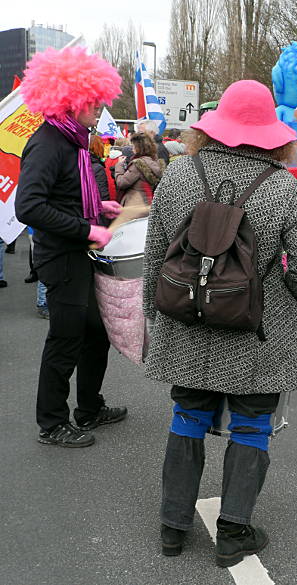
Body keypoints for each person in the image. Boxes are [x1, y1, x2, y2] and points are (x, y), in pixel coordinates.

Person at [142, 80, 297, 565]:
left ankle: (172, 528)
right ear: (272, 133)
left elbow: (155, 255)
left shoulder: (178, 175)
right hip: (255, 331)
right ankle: (232, 533)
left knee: (187, 418)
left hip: (185, 324)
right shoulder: (283, 186)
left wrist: (150, 314)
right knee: (251, 426)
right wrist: (280, 299)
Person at [14, 46, 126, 448]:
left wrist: (99, 207)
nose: (97, 110)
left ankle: (89, 408)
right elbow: (29, 205)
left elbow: (64, 196)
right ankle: (52, 422)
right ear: (71, 100)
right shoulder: (48, 142)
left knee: (97, 332)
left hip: (78, 254)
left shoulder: (73, 140)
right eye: (93, 104)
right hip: (61, 258)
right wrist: (86, 230)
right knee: (65, 339)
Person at [114, 132, 163, 207]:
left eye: (133, 146)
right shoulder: (154, 162)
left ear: (139, 147)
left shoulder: (138, 164)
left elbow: (122, 183)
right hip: (148, 202)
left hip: (134, 204)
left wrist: (119, 165)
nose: (132, 148)